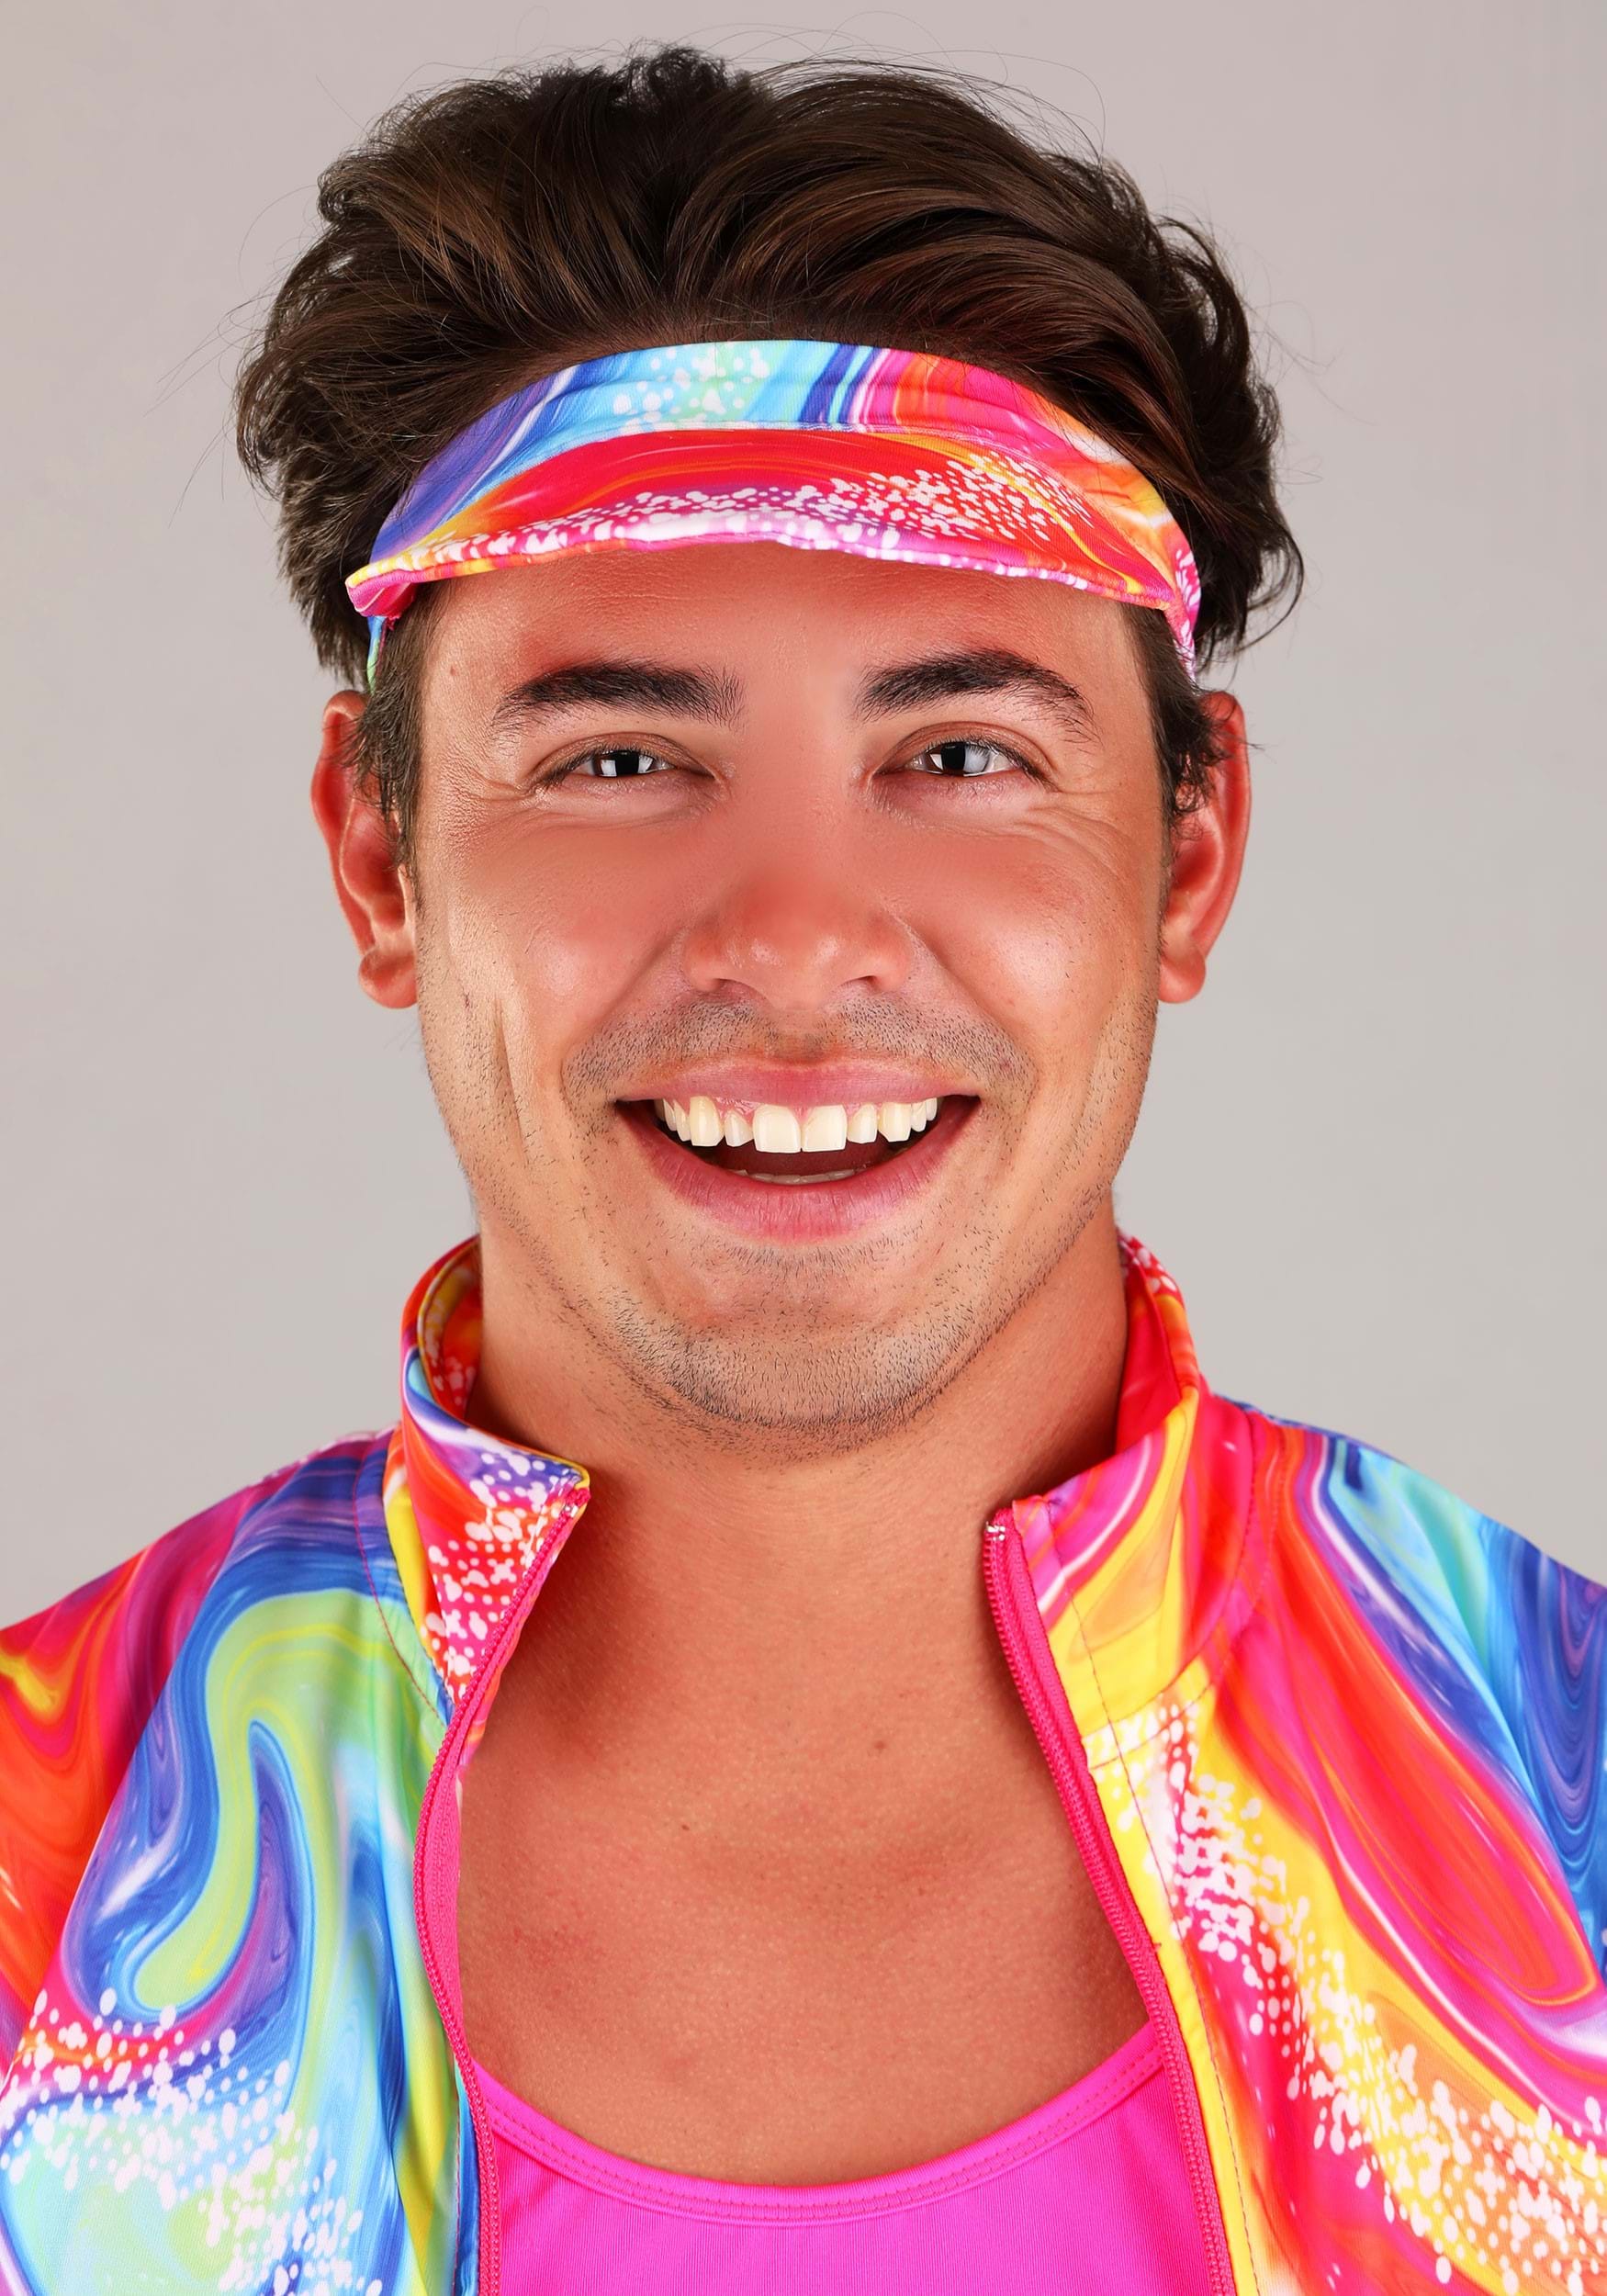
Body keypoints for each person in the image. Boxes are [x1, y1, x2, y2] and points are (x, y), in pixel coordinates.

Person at [1, 41, 1601, 2296]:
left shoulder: (1563, 1835)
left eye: (956, 751)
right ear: (380, 858)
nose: (790, 935)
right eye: (617, 757)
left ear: (1185, 855)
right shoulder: (42, 1885)